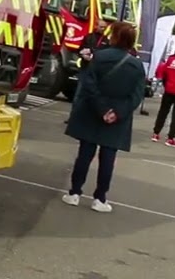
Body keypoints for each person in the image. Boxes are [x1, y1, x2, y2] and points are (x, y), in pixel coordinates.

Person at [61, 21, 146, 213]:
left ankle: (74, 193)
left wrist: (102, 109)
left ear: (114, 36)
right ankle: (100, 198)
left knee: (85, 154)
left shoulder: (99, 57)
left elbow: (88, 85)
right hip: (118, 116)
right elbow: (136, 96)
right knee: (108, 157)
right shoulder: (136, 65)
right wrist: (117, 112)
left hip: (93, 110)